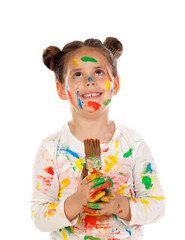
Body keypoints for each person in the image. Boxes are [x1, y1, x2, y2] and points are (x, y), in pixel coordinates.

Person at [31, 37, 165, 240]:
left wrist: (119, 204)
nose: (90, 81)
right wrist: (78, 200)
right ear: (61, 89)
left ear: (116, 84)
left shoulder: (133, 143)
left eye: (99, 72)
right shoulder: (51, 148)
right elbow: (39, 217)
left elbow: (157, 206)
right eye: (77, 74)